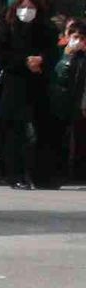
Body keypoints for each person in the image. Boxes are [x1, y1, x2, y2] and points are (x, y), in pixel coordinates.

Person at [0, 0, 60, 190]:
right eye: (23, 7)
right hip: (15, 84)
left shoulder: (46, 29)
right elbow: (1, 54)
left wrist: (41, 60)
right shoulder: (8, 28)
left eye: (31, 8)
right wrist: (24, 61)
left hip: (39, 84)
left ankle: (42, 176)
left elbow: (53, 53)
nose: (27, 11)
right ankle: (15, 175)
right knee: (15, 131)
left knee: (43, 130)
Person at [41, 25, 85, 189]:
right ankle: (48, 174)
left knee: (66, 141)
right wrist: (67, 56)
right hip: (55, 101)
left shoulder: (82, 58)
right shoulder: (58, 53)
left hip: (72, 105)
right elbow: (58, 75)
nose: (77, 41)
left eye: (81, 38)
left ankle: (62, 174)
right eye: (74, 37)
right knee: (52, 139)